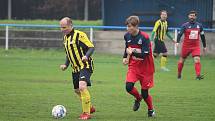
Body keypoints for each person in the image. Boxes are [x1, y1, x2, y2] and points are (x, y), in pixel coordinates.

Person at [59, 17, 95, 120]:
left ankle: (86, 113)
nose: (62, 30)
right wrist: (65, 64)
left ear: (71, 25)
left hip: (85, 65)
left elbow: (91, 47)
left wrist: (86, 56)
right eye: (61, 27)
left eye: (64, 27)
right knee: (76, 90)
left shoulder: (80, 35)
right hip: (75, 68)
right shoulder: (65, 38)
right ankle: (89, 107)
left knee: (82, 87)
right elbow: (69, 53)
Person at [123, 16, 155, 117]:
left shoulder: (144, 37)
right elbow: (127, 47)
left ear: (136, 26)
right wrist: (125, 57)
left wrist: (131, 53)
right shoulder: (127, 36)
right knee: (128, 87)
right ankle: (138, 98)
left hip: (146, 68)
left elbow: (144, 55)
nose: (128, 29)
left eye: (130, 26)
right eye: (127, 26)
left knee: (145, 93)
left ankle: (151, 110)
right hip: (134, 66)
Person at [176, 10, 207, 80]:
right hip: (186, 46)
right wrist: (177, 42)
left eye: (193, 16)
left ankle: (198, 75)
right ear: (188, 16)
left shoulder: (200, 26)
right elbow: (180, 34)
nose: (192, 17)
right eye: (191, 15)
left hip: (195, 46)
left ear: (196, 17)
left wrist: (204, 46)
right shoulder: (184, 25)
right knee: (181, 61)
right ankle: (179, 74)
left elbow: (202, 36)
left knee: (197, 59)